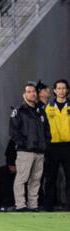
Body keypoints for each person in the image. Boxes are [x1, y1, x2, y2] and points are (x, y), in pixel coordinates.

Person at [9, 84, 50, 212]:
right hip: (25, 151)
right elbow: (13, 132)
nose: (32, 94)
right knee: (22, 178)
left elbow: (47, 130)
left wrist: (45, 143)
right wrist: (24, 144)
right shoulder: (19, 110)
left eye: (33, 91)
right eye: (29, 91)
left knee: (36, 179)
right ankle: (20, 204)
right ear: (24, 94)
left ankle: (33, 204)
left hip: (39, 151)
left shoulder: (40, 111)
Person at [43, 79, 70, 211]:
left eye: (64, 88)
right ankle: (48, 206)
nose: (61, 91)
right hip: (52, 146)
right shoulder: (48, 107)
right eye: (58, 88)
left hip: (68, 145)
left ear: (67, 90)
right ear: (54, 91)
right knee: (50, 178)